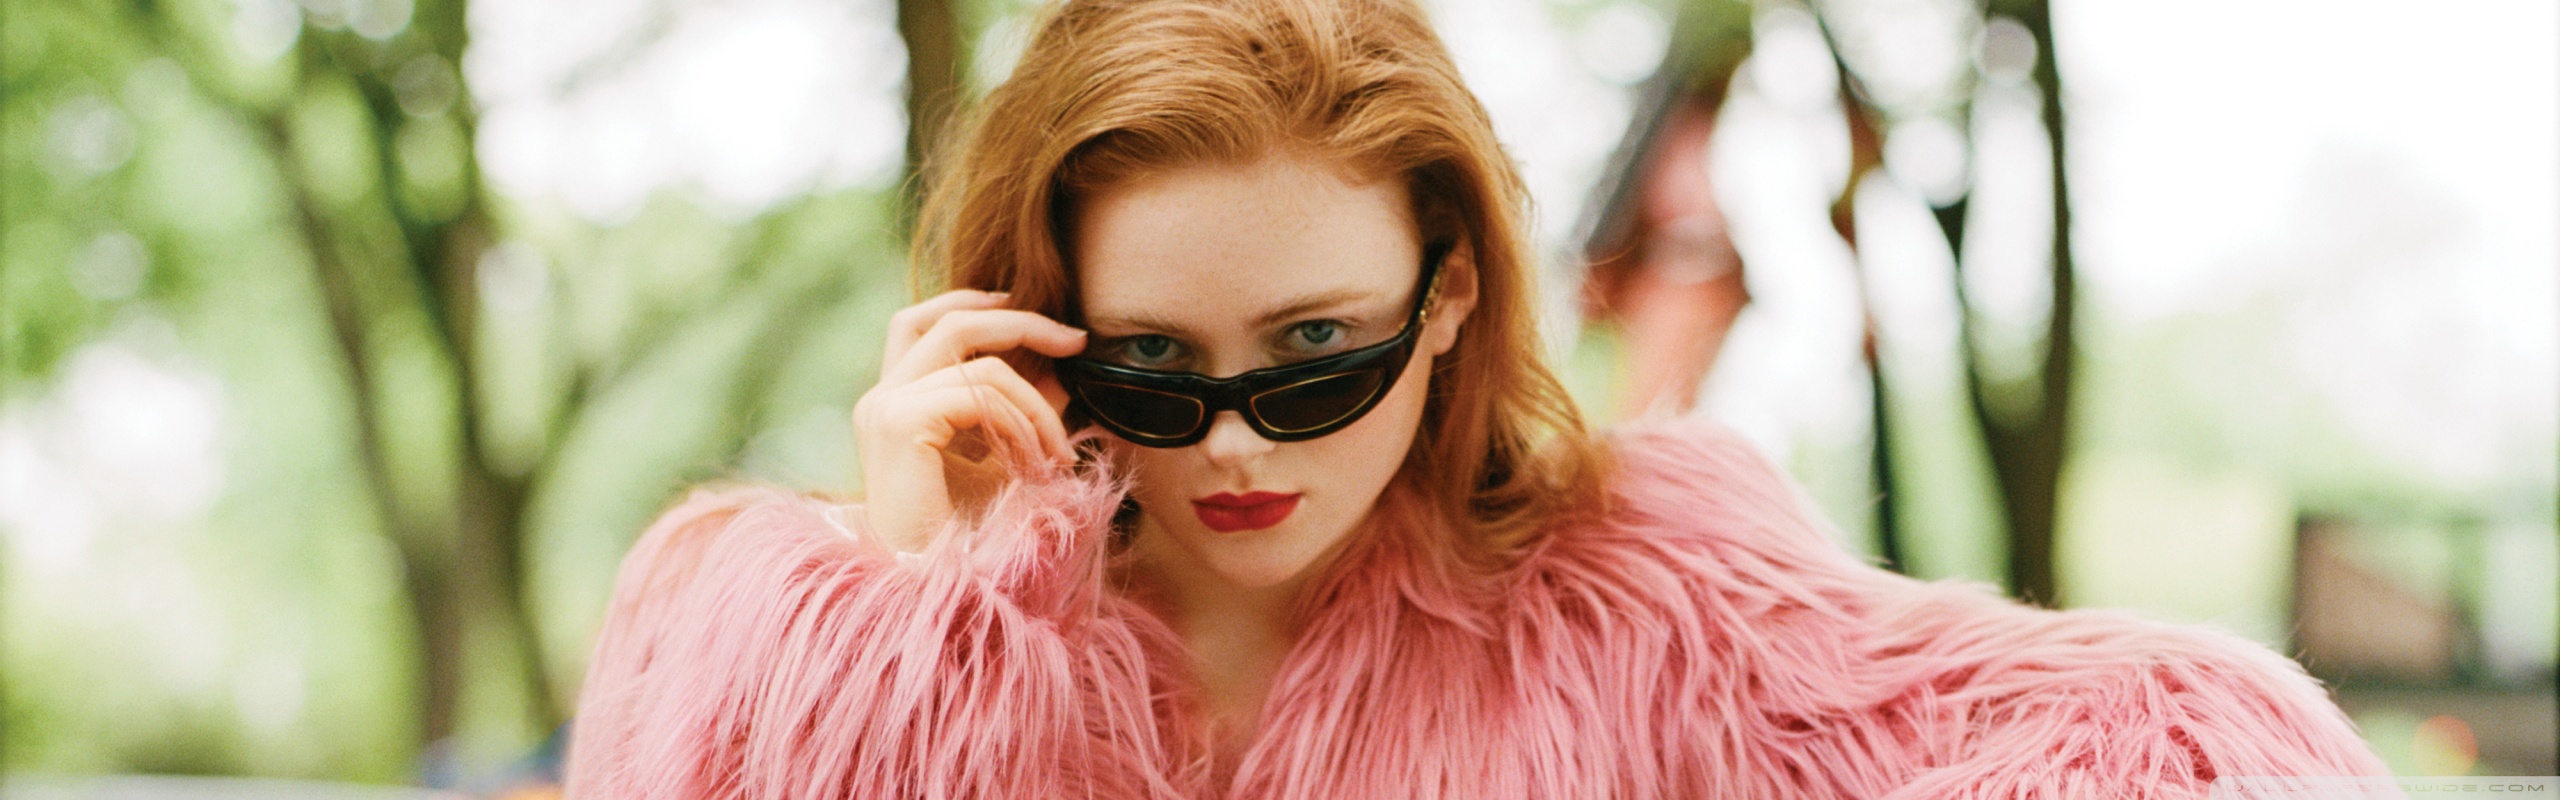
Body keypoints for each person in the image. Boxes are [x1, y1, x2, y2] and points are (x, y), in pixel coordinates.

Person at [561, 0, 2390, 796]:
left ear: (1447, 299)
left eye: (1316, 356)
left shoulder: (1648, 596)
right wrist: (918, 625)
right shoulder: (757, 636)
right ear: (1031, 324)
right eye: (1151, 366)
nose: (1233, 443)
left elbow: (2167, 742)